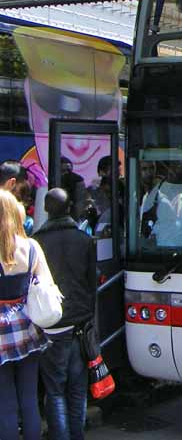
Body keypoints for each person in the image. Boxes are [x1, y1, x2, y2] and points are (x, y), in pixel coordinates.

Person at [33, 187, 96, 440]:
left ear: (46, 210)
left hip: (51, 325)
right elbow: (91, 285)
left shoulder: (37, 242)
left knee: (55, 390)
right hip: (81, 325)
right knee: (77, 389)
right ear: (70, 208)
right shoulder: (84, 240)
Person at [0, 189, 53, 440]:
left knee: (6, 403)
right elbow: (46, 285)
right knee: (29, 398)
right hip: (28, 326)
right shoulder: (32, 246)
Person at [60, 157, 87, 221]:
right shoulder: (53, 182)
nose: (66, 174)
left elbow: (80, 204)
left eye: (68, 171)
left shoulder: (78, 181)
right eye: (63, 171)